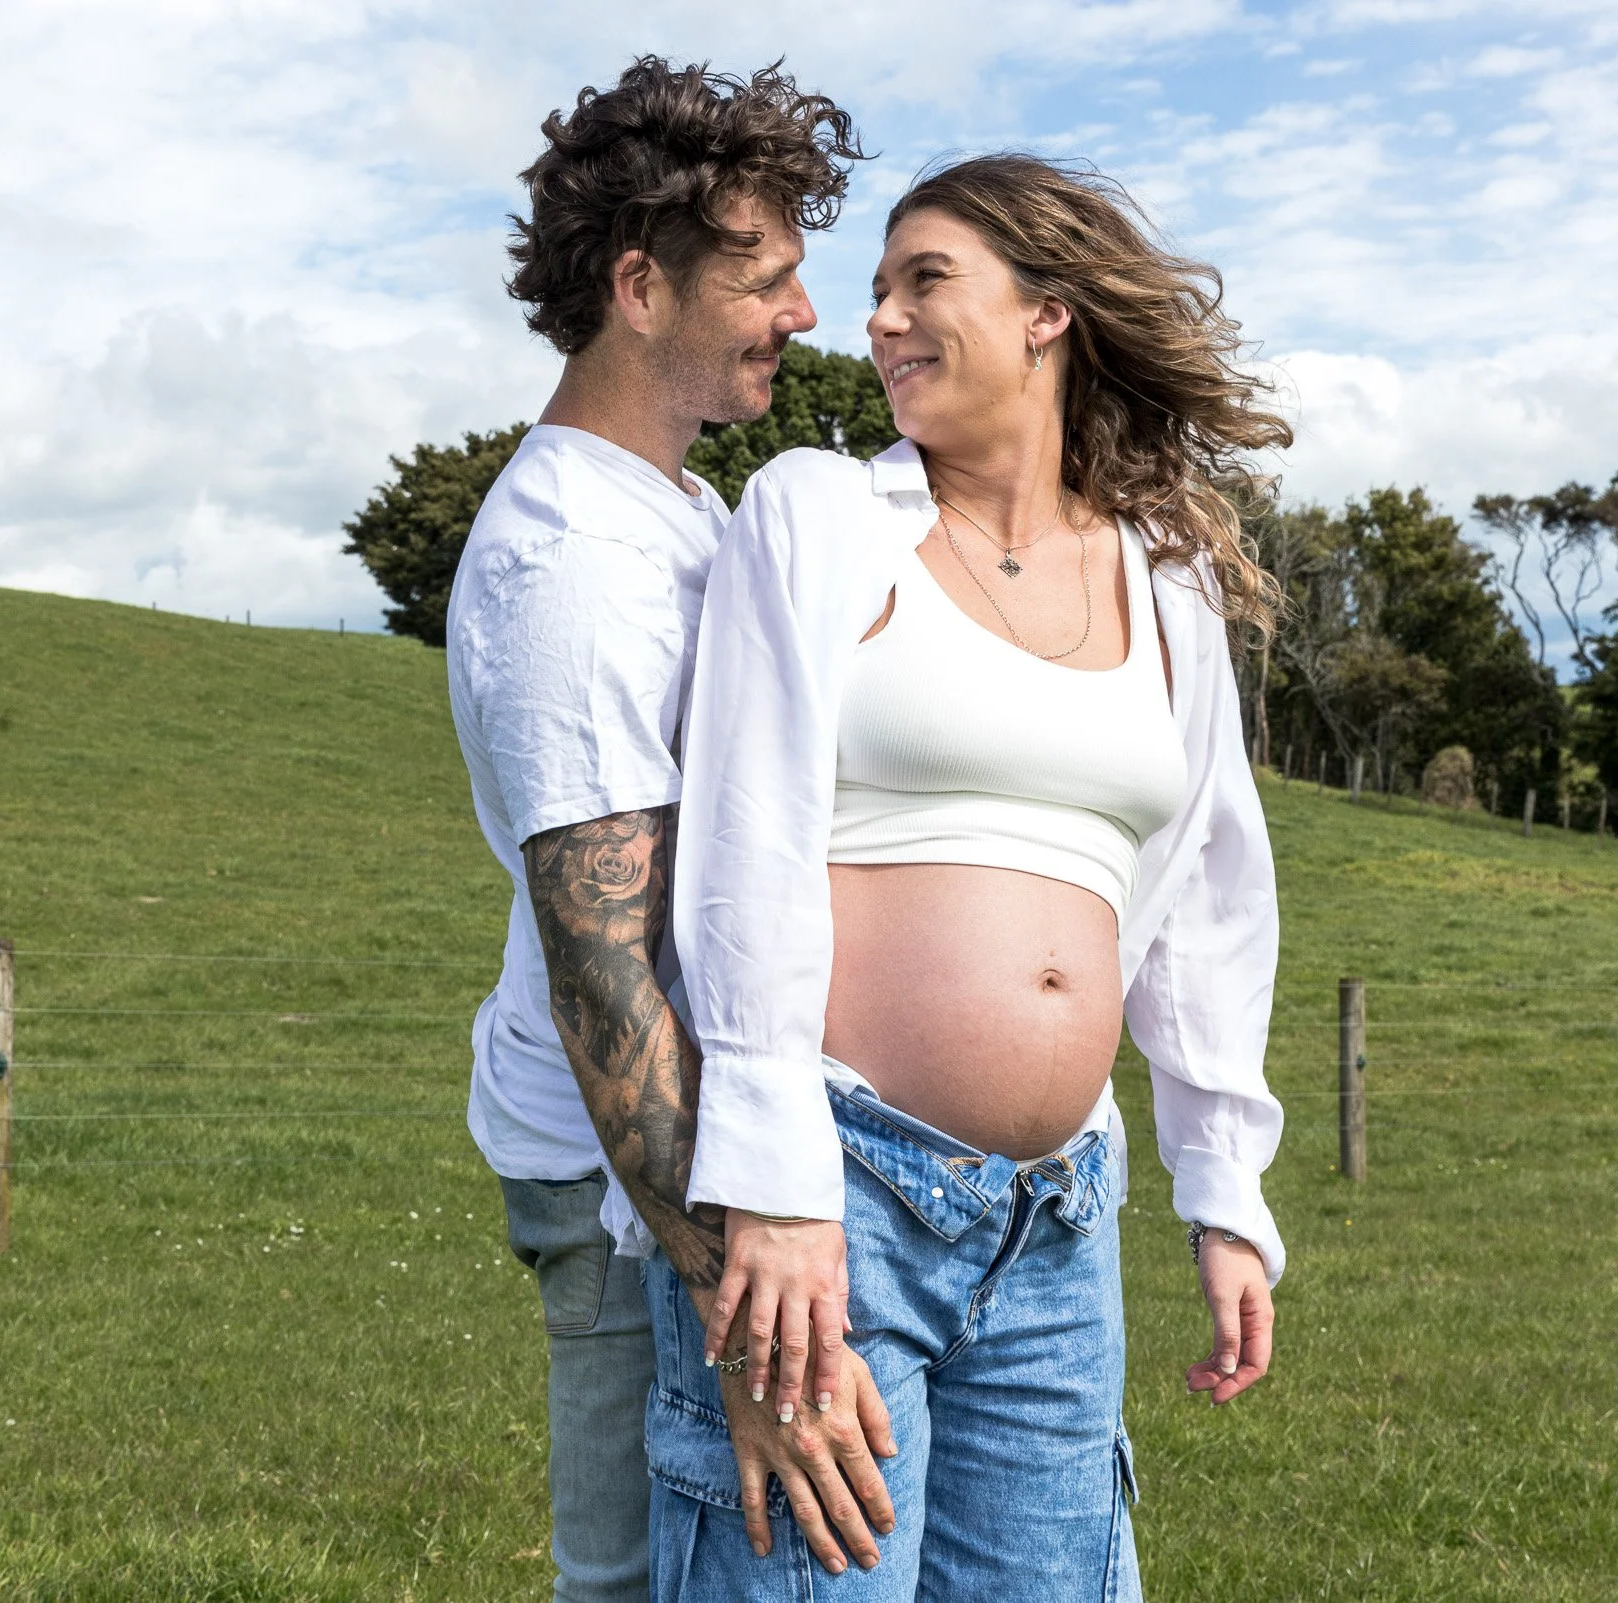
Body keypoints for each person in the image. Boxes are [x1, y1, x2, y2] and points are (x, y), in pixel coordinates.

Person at [648, 154, 1292, 1599]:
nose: (877, 320)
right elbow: (742, 846)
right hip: (841, 1198)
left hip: (1059, 1223)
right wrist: (772, 1185)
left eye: (923, 280)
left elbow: (1203, 897)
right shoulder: (822, 515)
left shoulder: (1167, 583)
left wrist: (1224, 1187)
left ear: (1049, 312)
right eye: (876, 289)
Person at [443, 58, 891, 1602]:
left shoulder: (677, 512)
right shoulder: (572, 566)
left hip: (699, 1177)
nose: (806, 315)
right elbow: (609, 980)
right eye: (765, 281)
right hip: (633, 1199)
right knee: (636, 1580)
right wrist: (752, 1329)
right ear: (640, 288)